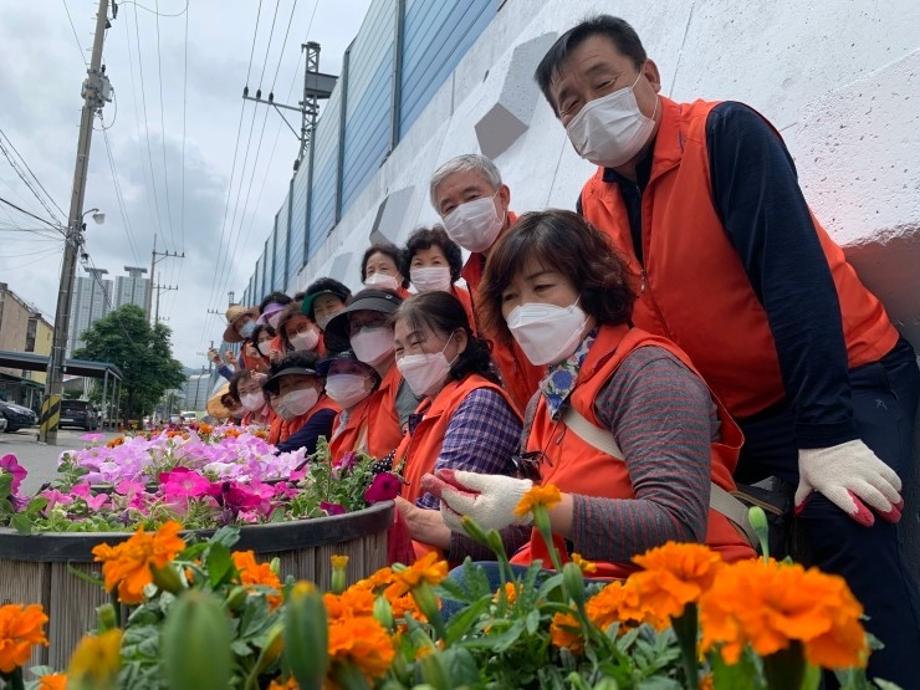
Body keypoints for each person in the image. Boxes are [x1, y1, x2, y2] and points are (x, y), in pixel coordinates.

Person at [534, 16, 919, 684]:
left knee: (845, 516)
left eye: (603, 84)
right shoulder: (591, 204)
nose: (590, 110)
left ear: (648, 77)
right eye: (570, 105)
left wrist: (826, 435)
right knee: (680, 536)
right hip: (739, 419)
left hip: (845, 377)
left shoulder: (724, 135)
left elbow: (793, 283)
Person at [426, 211, 755, 578]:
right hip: (580, 581)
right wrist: (445, 524)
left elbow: (676, 524)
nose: (523, 311)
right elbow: (534, 527)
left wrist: (534, 504)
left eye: (542, 287)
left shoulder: (647, 373)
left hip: (680, 586)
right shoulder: (545, 400)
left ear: (591, 284)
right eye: (510, 297)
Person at [391, 292, 521, 563]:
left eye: (417, 342)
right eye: (400, 349)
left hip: (462, 567)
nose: (408, 357)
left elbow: (444, 503)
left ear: (459, 340)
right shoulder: (426, 408)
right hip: (421, 556)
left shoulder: (479, 400)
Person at [429, 154, 542, 413]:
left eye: (472, 198)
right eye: (449, 208)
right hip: (534, 420)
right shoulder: (472, 280)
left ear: (502, 196)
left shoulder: (545, 243)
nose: (463, 213)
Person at [323, 288, 419, 460]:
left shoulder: (408, 375)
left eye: (375, 321)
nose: (364, 332)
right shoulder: (378, 392)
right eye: (356, 326)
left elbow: (416, 445)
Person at [402, 226, 476, 332]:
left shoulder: (474, 303)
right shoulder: (406, 316)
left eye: (436, 262)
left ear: (451, 268)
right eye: (418, 263)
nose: (427, 270)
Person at [262, 351, 339, 454]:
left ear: (319, 383)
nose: (292, 390)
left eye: (299, 382)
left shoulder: (327, 413)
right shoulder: (293, 417)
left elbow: (291, 449)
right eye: (285, 386)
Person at [318, 350, 384, 458]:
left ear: (372, 379)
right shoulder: (340, 418)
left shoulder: (379, 413)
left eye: (353, 370)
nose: (341, 378)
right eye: (335, 371)